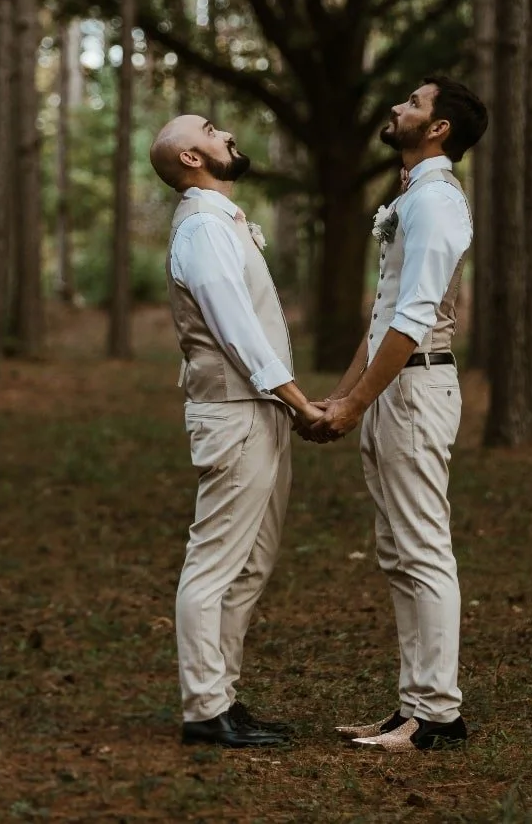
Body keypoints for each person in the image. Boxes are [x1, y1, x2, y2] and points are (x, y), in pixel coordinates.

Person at [315, 76, 488, 753]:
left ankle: (440, 716)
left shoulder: (438, 204)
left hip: (415, 390)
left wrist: (356, 404)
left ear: (440, 128)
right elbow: (382, 315)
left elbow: (414, 320)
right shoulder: (414, 199)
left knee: (423, 547)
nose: (398, 107)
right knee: (397, 550)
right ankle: (412, 707)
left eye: (414, 104)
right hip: (393, 387)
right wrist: (343, 394)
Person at [150, 114, 324, 749]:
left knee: (252, 561)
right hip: (235, 412)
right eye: (212, 129)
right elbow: (235, 329)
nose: (226, 134)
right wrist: (300, 402)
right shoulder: (200, 227)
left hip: (260, 410)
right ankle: (203, 709)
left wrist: (286, 405)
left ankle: (221, 695)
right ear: (192, 159)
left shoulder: (220, 221)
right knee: (217, 560)